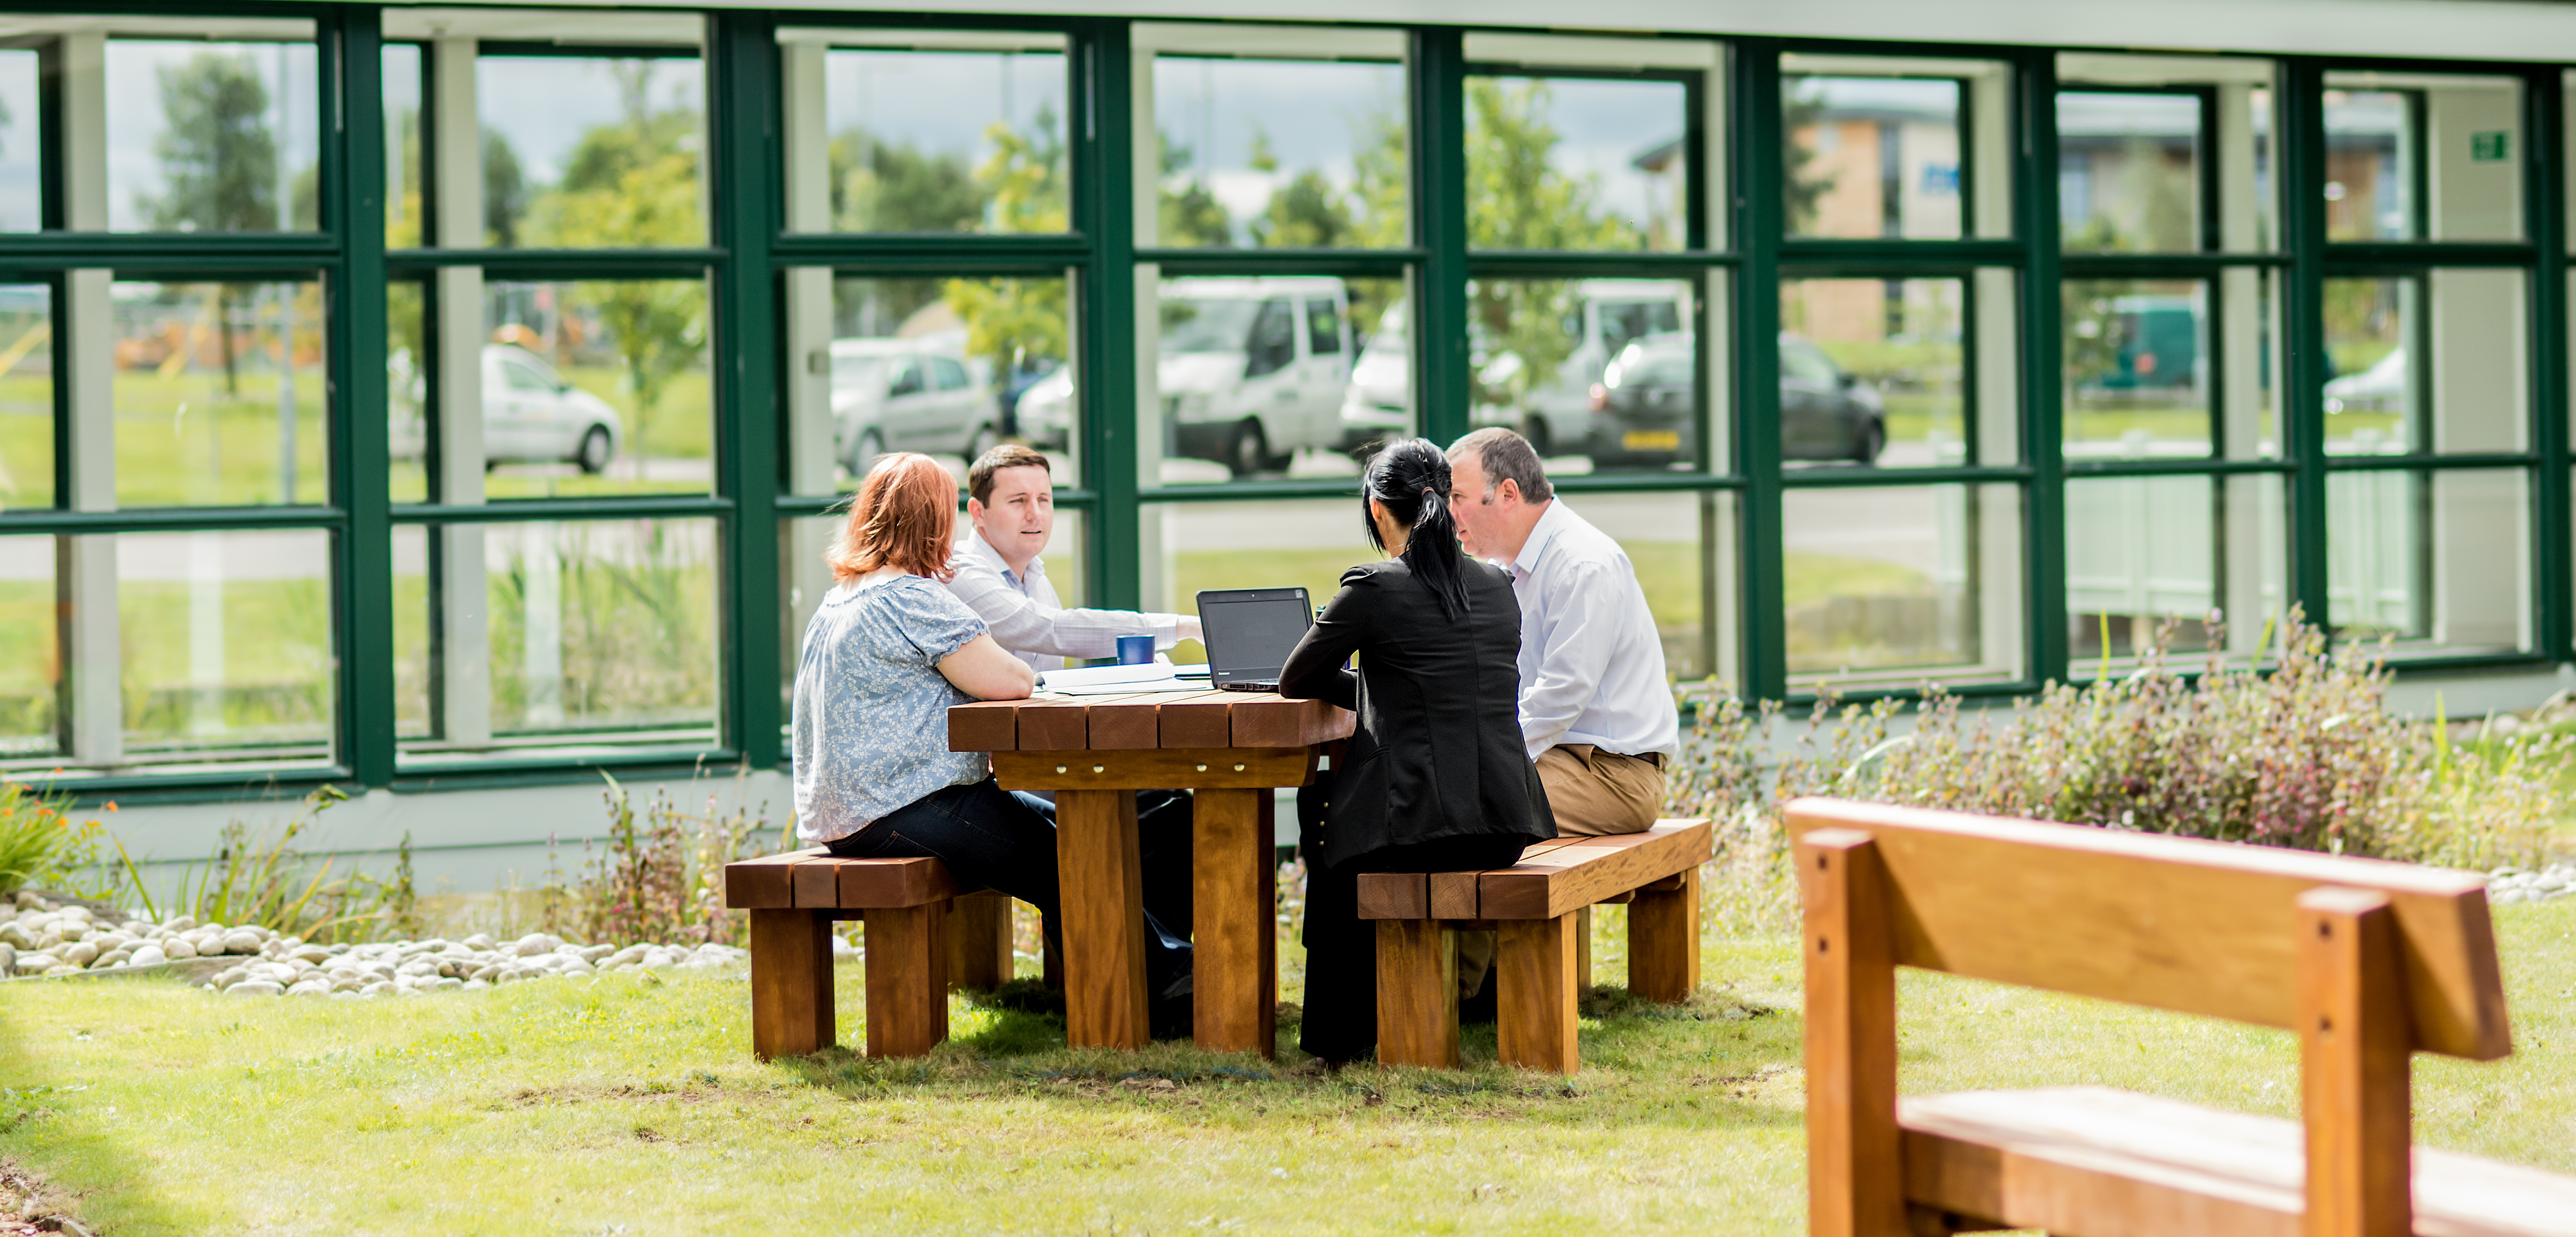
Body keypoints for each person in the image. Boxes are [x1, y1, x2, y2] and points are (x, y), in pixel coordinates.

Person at [792, 452, 1192, 1030]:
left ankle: (1151, 977)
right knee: (1069, 855)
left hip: (851, 810)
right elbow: (1011, 679)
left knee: (1074, 834)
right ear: (935, 521)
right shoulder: (911, 596)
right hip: (902, 803)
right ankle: (1158, 989)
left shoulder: (843, 596)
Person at [1278, 439, 1553, 1065]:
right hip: (1507, 823)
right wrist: (1388, 687)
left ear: (1379, 510)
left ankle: (1341, 1036)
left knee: (1325, 819)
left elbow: (1297, 678)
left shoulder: (1374, 587)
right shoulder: (1494, 584)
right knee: (1340, 821)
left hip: (1421, 826)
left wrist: (1368, 687)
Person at [946, 443, 1201, 940]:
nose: (1036, 513)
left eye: (1045, 499)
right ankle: (1152, 974)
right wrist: (1180, 627)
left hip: (1036, 759)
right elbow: (1050, 632)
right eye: (1018, 501)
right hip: (987, 778)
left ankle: (1173, 963)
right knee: (1140, 809)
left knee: (1169, 804)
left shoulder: (1034, 577)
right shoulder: (966, 576)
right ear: (978, 512)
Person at [1445, 427, 1679, 836]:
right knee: (1441, 788)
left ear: (1508, 494)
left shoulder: (1581, 564)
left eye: (1458, 498)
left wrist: (1486, 753)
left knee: (1465, 802)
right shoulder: (1506, 570)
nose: (1449, 513)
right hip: (1560, 757)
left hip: (1616, 775)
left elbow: (1563, 692)